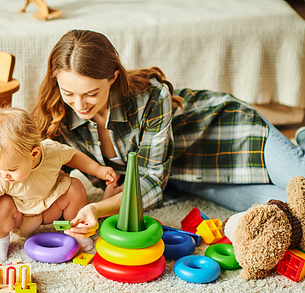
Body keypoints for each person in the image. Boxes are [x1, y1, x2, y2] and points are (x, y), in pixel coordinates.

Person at [32, 29, 305, 240]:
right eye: (69, 94)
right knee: (291, 208)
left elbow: (150, 182)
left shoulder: (151, 96)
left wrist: (98, 209)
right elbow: (30, 170)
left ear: (113, 77)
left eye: (91, 94)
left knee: (302, 179)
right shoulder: (57, 119)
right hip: (191, 175)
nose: (80, 106)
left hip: (232, 131)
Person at [0, 107, 117, 262]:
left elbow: (73, 156)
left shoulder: (51, 151)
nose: (3, 174)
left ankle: (76, 231)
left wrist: (98, 170)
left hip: (52, 207)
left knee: (75, 187)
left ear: (34, 154)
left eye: (11, 169)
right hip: (21, 216)